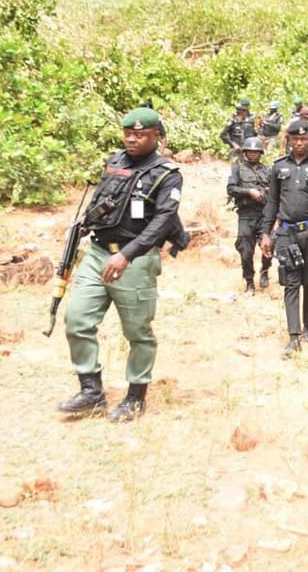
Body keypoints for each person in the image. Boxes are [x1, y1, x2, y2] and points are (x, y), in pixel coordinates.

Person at [58, 107, 188, 423]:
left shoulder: (167, 174)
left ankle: (135, 397)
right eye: (128, 133)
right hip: (98, 254)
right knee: (77, 319)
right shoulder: (115, 162)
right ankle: (91, 391)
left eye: (140, 135)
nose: (131, 139)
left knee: (137, 332)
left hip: (135, 261)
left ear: (157, 136)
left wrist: (127, 254)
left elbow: (163, 221)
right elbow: (100, 201)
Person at [261, 119, 308, 357]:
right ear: (289, 141)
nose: (300, 143)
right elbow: (272, 202)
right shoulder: (278, 167)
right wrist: (266, 233)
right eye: (296, 139)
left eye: (304, 139)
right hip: (286, 233)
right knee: (291, 282)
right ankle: (294, 336)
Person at [227, 137, 273, 293]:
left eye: (256, 152)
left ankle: (265, 270)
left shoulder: (268, 171)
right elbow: (231, 189)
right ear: (245, 153)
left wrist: (267, 193)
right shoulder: (237, 169)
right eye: (250, 152)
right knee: (246, 251)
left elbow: (276, 192)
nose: (253, 154)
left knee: (270, 245)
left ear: (261, 153)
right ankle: (249, 282)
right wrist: (249, 192)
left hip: (264, 214)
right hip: (246, 215)